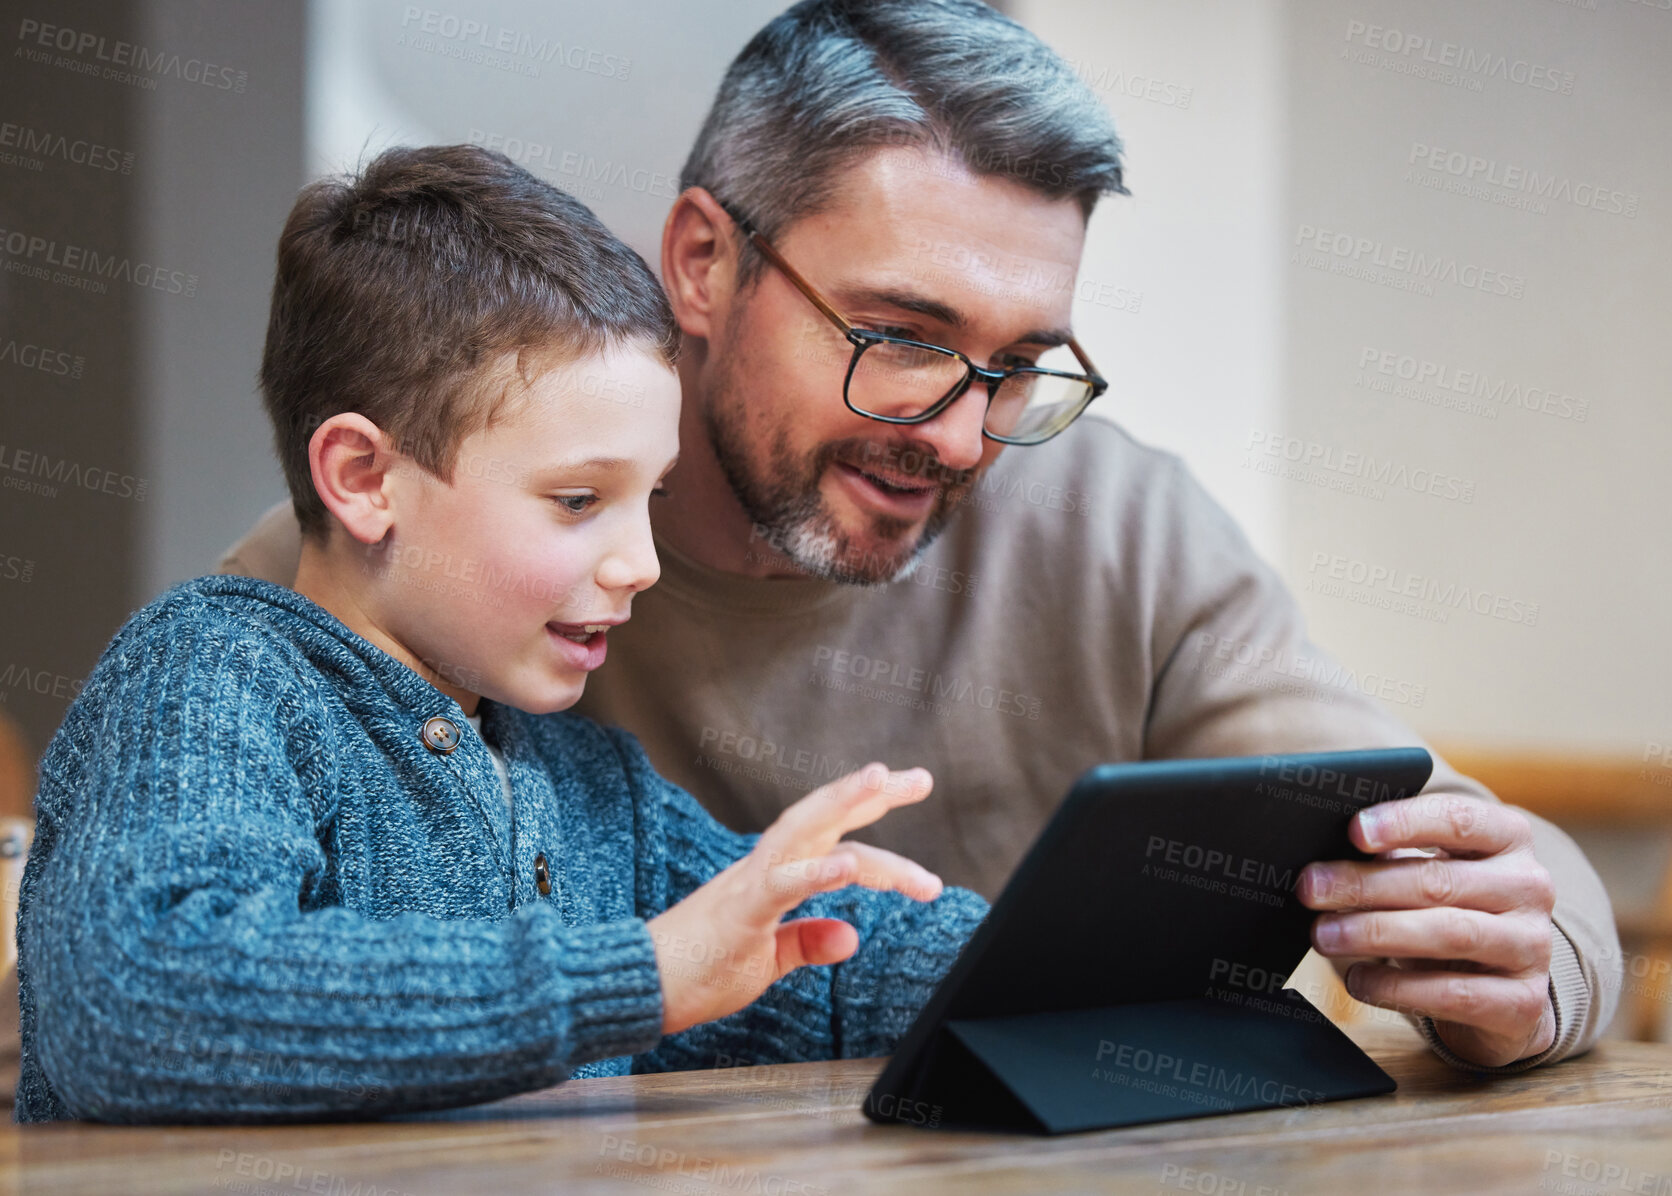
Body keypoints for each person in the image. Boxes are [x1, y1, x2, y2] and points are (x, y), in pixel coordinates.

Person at [221, 0, 1619, 1072]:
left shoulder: (1113, 527)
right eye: (901, 339)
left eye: (1022, 363)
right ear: (704, 262)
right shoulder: (406, 559)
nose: (961, 436)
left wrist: (1520, 970)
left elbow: (1499, 865)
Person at [13, 144, 988, 1124]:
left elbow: (809, 956)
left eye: (647, 497)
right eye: (577, 498)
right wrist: (635, 975)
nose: (640, 562)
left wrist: (1075, 952)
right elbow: (145, 1004)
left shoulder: (592, 787)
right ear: (362, 476)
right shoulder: (213, 672)